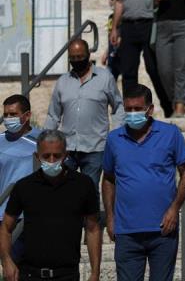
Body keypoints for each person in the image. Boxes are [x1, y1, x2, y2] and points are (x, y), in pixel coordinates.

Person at [102, 84, 185, 281]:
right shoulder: (114, 139)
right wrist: (110, 217)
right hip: (127, 232)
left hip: (163, 230)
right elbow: (108, 179)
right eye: (128, 109)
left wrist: (174, 208)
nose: (132, 114)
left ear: (150, 109)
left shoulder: (171, 134)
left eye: (137, 109)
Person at [0, 130, 101, 281]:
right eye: (46, 156)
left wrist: (95, 272)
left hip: (67, 275)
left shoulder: (83, 185)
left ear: (66, 156)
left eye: (57, 156)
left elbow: (93, 229)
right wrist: (7, 261)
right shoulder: (24, 187)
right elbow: (6, 228)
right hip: (30, 274)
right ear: (37, 157)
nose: (52, 160)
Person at [45, 38, 125, 201]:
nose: (76, 61)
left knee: (89, 189)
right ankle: (70, 223)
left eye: (80, 57)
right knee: (64, 189)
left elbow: (118, 106)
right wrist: (47, 141)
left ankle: (92, 224)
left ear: (88, 55)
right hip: (67, 147)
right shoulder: (62, 82)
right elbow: (53, 115)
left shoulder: (105, 78)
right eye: (72, 58)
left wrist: (116, 134)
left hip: (95, 146)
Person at [110, 0, 173, 118]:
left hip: (150, 24)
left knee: (154, 68)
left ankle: (168, 108)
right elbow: (119, 2)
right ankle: (130, 111)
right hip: (129, 26)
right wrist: (115, 28)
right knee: (128, 70)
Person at [0, 95, 40, 263]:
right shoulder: (0, 140)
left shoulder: (43, 139)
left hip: (34, 215)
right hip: (4, 215)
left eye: (13, 114)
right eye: (6, 115)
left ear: (27, 115)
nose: (9, 119)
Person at [101, 0, 121, 81]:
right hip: (112, 56)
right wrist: (106, 52)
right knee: (109, 83)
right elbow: (110, 38)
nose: (110, 2)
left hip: (122, 56)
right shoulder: (110, 17)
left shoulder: (125, 17)